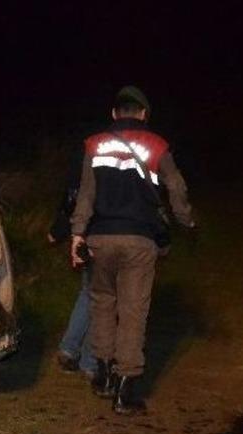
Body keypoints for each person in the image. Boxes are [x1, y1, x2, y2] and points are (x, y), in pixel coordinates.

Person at [70, 86, 196, 415]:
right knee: (133, 311)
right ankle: (126, 389)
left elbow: (85, 194)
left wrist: (77, 234)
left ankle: (103, 375)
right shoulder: (157, 144)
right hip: (140, 241)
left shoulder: (94, 144)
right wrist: (185, 218)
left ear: (114, 113)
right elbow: (176, 186)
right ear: (143, 114)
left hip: (100, 239)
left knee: (101, 305)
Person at [49, 155, 96, 378]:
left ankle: (69, 349)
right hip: (106, 235)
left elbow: (72, 198)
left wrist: (57, 230)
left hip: (88, 236)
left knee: (89, 295)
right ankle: (90, 361)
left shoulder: (88, 158)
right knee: (105, 300)